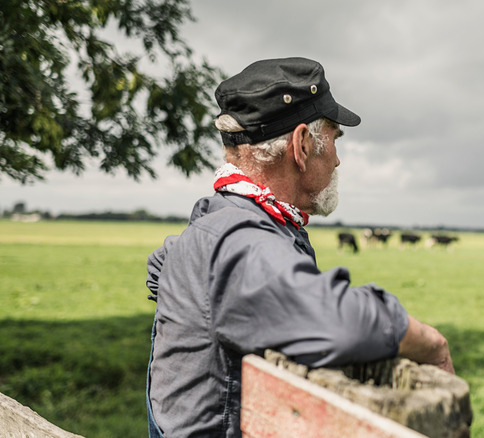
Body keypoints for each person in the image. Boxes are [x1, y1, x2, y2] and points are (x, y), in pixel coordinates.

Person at [144, 57, 454, 438]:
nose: (338, 159)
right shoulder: (240, 239)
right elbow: (340, 322)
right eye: (335, 140)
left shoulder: (219, 218)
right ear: (302, 144)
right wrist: (433, 345)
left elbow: (164, 264)